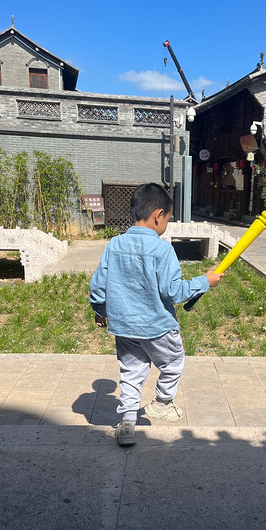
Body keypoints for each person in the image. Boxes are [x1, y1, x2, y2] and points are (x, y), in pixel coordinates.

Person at [89, 183, 224, 446]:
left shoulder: (114, 245)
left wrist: (99, 311)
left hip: (125, 327)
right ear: (158, 215)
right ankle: (162, 402)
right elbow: (173, 291)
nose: (166, 225)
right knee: (173, 363)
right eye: (168, 219)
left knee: (131, 372)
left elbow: (98, 287)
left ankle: (128, 423)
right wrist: (204, 282)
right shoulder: (162, 249)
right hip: (158, 327)